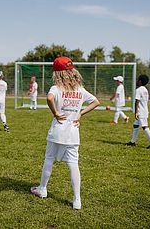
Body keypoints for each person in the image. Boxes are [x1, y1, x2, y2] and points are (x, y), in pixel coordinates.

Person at [30, 57, 100, 210]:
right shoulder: (80, 89)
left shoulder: (56, 88)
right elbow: (96, 101)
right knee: (73, 164)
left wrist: (55, 112)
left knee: (49, 159)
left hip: (57, 130)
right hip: (73, 133)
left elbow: (49, 98)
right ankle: (77, 200)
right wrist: (80, 113)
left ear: (57, 73)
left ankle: (42, 189)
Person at [126, 75, 150, 149]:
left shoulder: (139, 89)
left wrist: (136, 112)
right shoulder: (145, 89)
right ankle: (132, 142)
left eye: (138, 80)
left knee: (144, 126)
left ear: (140, 81)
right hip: (145, 110)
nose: (137, 81)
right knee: (135, 125)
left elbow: (137, 101)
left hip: (141, 112)